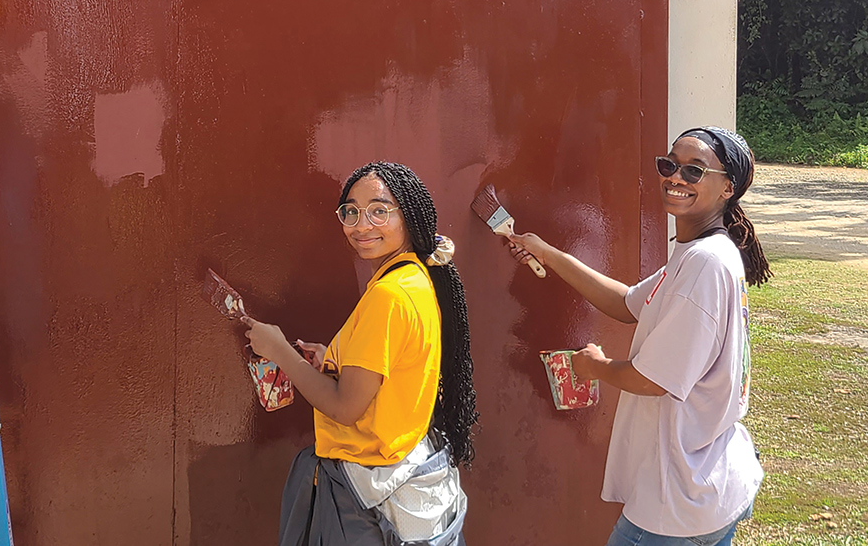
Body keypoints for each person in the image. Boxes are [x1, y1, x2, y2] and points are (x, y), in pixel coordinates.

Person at [506, 127, 770, 546]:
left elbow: (653, 380)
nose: (676, 177)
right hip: (708, 480)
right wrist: (549, 254)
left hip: (678, 502)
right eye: (669, 165)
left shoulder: (704, 262)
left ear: (727, 188)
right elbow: (627, 303)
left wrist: (593, 367)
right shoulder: (700, 252)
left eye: (694, 170)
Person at [245, 162, 479, 546]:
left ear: (409, 216)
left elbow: (345, 407)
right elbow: (389, 367)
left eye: (379, 210)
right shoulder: (412, 278)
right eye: (350, 211)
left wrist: (280, 351)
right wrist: (332, 359)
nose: (361, 225)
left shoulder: (388, 296)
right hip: (410, 472)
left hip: (371, 495)